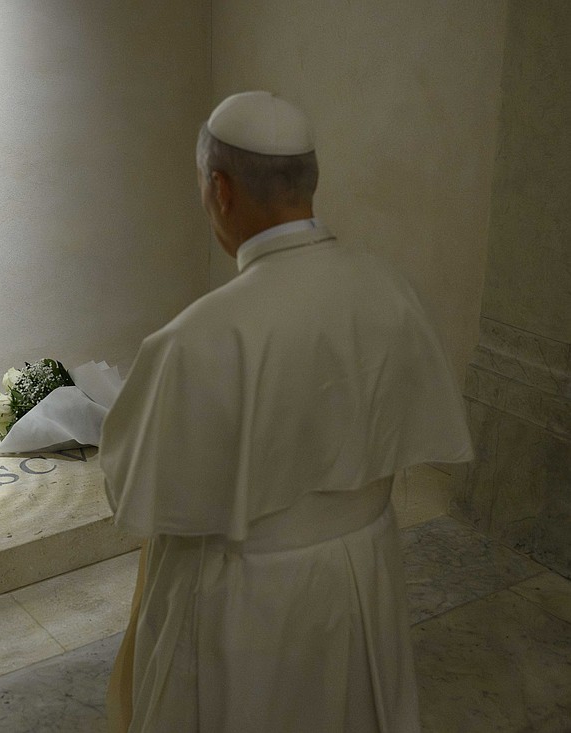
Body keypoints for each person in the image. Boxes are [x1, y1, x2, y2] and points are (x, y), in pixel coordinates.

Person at [100, 91, 474, 732]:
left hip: (246, 604)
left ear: (220, 190)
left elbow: (134, 488)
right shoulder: (388, 288)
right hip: (363, 574)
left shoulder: (196, 339)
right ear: (310, 182)